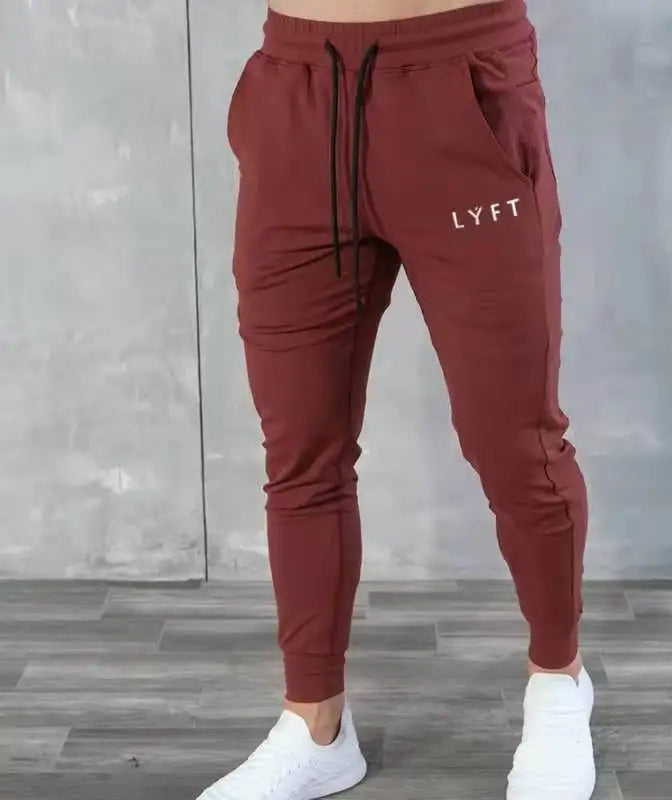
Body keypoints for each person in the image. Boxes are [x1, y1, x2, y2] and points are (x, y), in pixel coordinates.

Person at [200, 0, 594, 798]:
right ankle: (315, 725)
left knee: (514, 441)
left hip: (460, 87)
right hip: (295, 93)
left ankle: (559, 682)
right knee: (300, 448)